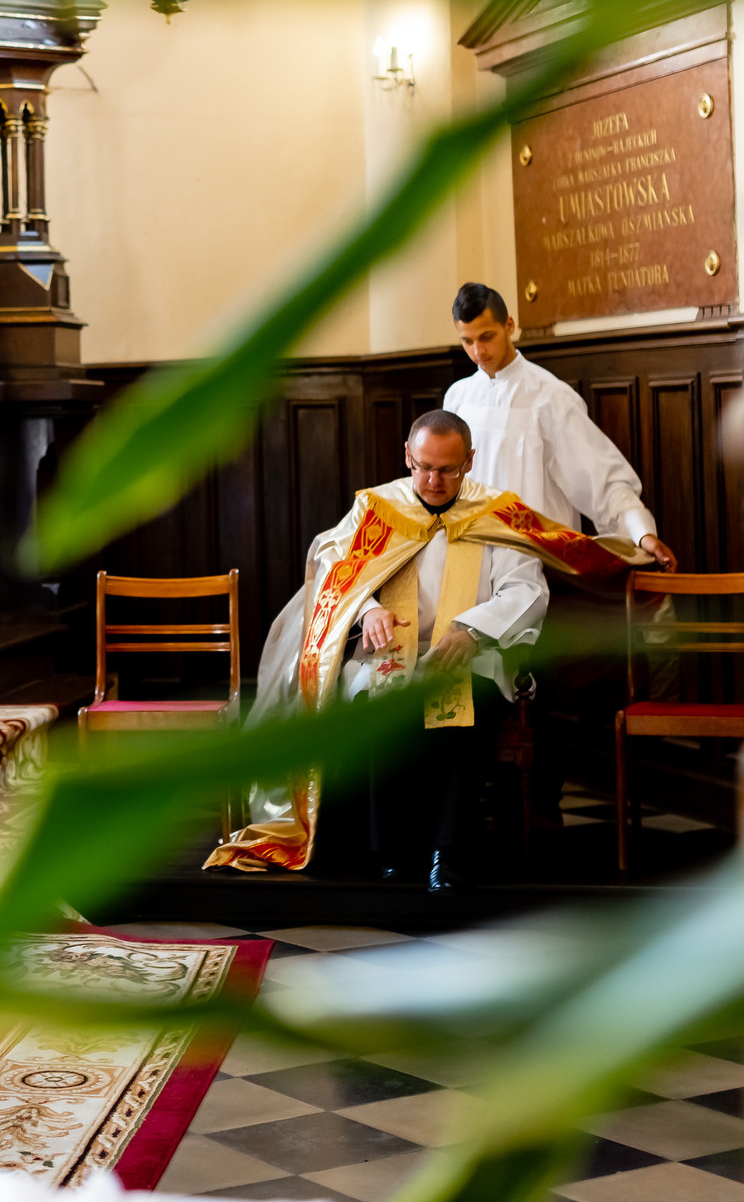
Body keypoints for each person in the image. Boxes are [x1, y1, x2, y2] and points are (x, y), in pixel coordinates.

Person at [206, 411, 647, 888]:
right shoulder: (377, 510)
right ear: (407, 456)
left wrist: (471, 631)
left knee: (457, 710)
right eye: (424, 466)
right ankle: (390, 854)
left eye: (448, 469)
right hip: (387, 650)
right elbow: (333, 565)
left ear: (469, 462)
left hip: (470, 651)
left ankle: (447, 852)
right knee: (379, 706)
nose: (434, 480)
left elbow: (526, 592)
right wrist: (367, 606)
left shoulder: (497, 513)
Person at [445, 283, 678, 568]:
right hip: (472, 561)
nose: (478, 351)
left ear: (509, 325)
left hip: (537, 563)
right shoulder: (457, 398)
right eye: (467, 341)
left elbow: (600, 479)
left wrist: (641, 532)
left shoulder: (551, 397)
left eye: (486, 336)